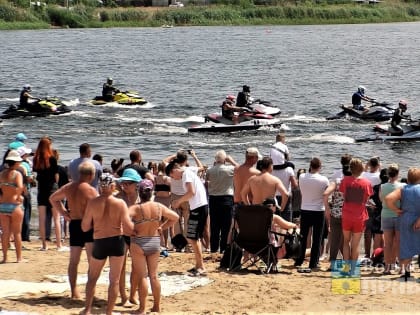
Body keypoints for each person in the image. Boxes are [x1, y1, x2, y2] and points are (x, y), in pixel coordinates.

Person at [81, 174, 133, 315]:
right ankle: (109, 312)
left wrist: (97, 223)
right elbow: (128, 228)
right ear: (112, 187)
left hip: (100, 240)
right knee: (114, 280)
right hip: (116, 240)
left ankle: (87, 309)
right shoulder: (120, 203)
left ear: (99, 186)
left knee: (92, 277)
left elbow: (85, 227)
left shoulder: (93, 203)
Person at [129, 179, 179, 315]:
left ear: (139, 192)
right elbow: (175, 217)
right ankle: (157, 306)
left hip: (139, 242)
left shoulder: (135, 208)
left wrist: (130, 230)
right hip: (154, 241)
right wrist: (162, 227)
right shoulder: (158, 206)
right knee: (154, 276)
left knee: (142, 276)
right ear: (152, 192)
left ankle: (142, 308)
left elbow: (122, 221)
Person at [49, 161, 98, 299]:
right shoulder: (90, 190)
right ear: (91, 175)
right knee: (91, 261)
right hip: (88, 226)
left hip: (74, 224)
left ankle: (74, 291)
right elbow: (97, 209)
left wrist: (64, 213)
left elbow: (53, 198)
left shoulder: (69, 187)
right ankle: (90, 291)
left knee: (74, 260)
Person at [166, 161, 209, 276]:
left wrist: (178, 201)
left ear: (174, 171)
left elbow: (191, 192)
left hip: (199, 207)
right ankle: (198, 265)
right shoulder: (188, 171)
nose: (174, 179)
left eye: (172, 176)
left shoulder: (185, 175)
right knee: (193, 237)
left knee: (193, 238)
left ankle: (201, 267)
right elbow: (200, 168)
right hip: (199, 206)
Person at [385, 167, 420, 281]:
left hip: (405, 218)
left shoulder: (403, 189)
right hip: (418, 218)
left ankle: (406, 272)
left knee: (406, 244)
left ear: (408, 178)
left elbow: (388, 199)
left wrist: (396, 210)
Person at [295, 157, 329, 272]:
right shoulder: (324, 179)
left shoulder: (302, 177)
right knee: (317, 238)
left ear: (310, 165)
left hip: (305, 208)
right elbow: (326, 194)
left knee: (303, 237)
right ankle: (313, 262)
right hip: (318, 210)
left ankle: (299, 259)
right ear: (320, 166)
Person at [339, 158, 373, 276]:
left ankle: (346, 268)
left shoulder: (345, 181)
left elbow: (343, 194)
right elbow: (366, 199)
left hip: (347, 214)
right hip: (359, 216)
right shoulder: (366, 183)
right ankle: (353, 270)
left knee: (346, 242)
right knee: (356, 244)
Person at [33, 136, 66, 251]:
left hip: (41, 190)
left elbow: (36, 174)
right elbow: (56, 175)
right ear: (48, 146)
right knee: (56, 218)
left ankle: (44, 245)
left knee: (42, 218)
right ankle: (58, 245)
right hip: (52, 189)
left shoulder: (36, 159)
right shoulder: (52, 158)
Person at [115, 167, 142, 306]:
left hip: (137, 236)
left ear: (136, 183)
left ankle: (133, 294)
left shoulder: (141, 197)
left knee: (137, 267)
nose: (124, 186)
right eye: (123, 183)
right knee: (121, 267)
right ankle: (123, 297)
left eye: (128, 183)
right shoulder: (118, 198)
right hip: (122, 235)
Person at [205, 150, 238, 254]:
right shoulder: (230, 169)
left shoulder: (210, 170)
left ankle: (214, 248)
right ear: (225, 159)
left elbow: (206, 182)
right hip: (227, 198)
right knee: (226, 225)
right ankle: (223, 248)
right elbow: (240, 168)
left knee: (214, 225)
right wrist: (231, 160)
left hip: (214, 198)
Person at [0, 150, 24, 263]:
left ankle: (5, 258)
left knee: (5, 233)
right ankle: (19, 258)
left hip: (3, 205)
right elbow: (20, 187)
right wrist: (18, 196)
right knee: (17, 233)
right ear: (15, 163)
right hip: (14, 206)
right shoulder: (17, 174)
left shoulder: (2, 174)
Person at [379, 164, 404, 275]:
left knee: (387, 243)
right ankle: (401, 267)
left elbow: (381, 200)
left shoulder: (382, 186)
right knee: (399, 242)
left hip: (386, 215)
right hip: (399, 215)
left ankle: (388, 267)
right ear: (398, 174)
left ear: (388, 174)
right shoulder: (403, 186)